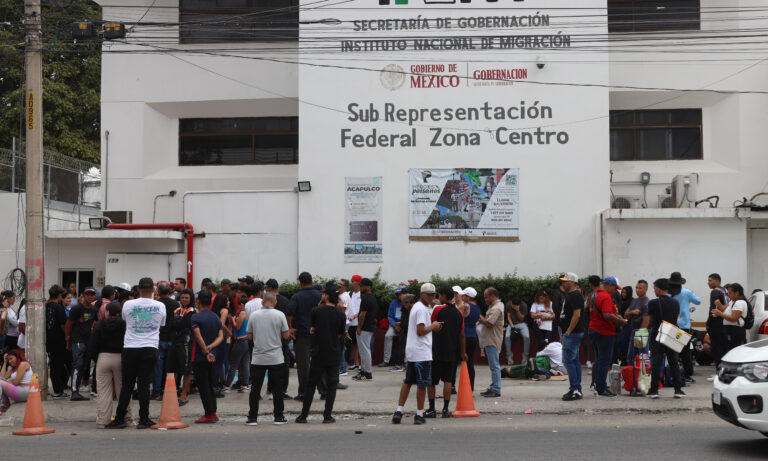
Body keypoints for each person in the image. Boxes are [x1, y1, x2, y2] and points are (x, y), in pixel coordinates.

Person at [106, 277, 167, 429]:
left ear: (138, 289)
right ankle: (144, 419)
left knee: (127, 385)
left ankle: (119, 418)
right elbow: (161, 325)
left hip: (130, 347)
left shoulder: (128, 304)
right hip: (150, 347)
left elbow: (126, 322)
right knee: (144, 385)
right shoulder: (160, 306)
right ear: (154, 290)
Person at [392, 283, 443, 425]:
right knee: (422, 384)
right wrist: (433, 326)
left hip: (413, 351)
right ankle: (419, 414)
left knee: (408, 382)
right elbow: (421, 331)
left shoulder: (418, 307)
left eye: (433, 294)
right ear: (422, 294)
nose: (432, 297)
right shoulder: (421, 309)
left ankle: (398, 411)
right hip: (422, 352)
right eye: (429, 294)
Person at [296, 282, 347, 424]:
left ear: (326, 296)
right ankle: (327, 415)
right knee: (332, 386)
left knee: (311, 385)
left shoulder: (316, 311)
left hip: (318, 353)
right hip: (333, 353)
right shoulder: (340, 315)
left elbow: (312, 329)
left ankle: (303, 415)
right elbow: (340, 334)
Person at [246, 292, 290, 426]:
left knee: (255, 388)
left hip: (258, 357)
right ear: (275, 302)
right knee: (277, 388)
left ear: (262, 302)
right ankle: (278, 416)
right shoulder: (280, 315)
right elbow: (286, 335)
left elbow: (249, 336)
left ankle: (252, 417)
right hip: (276, 357)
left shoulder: (254, 315)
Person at [427, 285, 467, 418]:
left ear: (444, 296)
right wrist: (462, 352)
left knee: (431, 381)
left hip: (436, 350)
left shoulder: (438, 309)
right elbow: (462, 334)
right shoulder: (459, 313)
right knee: (448, 381)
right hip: (452, 351)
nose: (438, 298)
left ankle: (432, 409)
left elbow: (431, 325)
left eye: (439, 295)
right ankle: (445, 409)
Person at [90, 301, 132, 426]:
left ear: (107, 311)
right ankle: (128, 418)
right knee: (123, 390)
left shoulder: (99, 325)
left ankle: (103, 420)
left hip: (103, 357)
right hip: (120, 358)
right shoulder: (124, 325)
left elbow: (92, 345)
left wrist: (96, 359)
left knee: (103, 391)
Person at [644, 279, 684, 399]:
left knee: (656, 362)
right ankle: (678, 390)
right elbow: (676, 318)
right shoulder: (675, 302)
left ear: (659, 289)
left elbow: (649, 318)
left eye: (654, 287)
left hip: (657, 335)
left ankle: (654, 390)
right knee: (673, 362)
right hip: (671, 334)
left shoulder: (653, 303)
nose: (654, 290)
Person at [588, 277, 628, 397]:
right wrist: (620, 321)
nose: (616, 291)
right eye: (615, 288)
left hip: (594, 329)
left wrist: (616, 316)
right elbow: (606, 315)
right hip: (604, 331)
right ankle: (601, 387)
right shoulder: (605, 296)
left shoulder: (594, 295)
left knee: (599, 360)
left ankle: (597, 385)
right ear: (609, 285)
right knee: (604, 361)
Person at [287, 272, 322, 401]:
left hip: (302, 334)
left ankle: (304, 393)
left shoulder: (297, 297)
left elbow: (289, 313)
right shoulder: (320, 296)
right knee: (320, 363)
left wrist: (290, 327)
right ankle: (324, 391)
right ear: (312, 281)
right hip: (319, 334)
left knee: (303, 364)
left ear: (300, 283)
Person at [190, 289, 224, 423]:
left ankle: (209, 414)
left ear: (198, 301)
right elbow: (220, 336)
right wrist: (211, 348)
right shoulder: (215, 317)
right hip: (213, 355)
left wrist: (205, 351)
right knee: (210, 384)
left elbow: (197, 336)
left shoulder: (195, 317)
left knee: (203, 386)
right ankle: (213, 412)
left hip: (200, 356)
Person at [668, 272, 701, 382]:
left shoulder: (668, 293)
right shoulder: (686, 292)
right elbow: (698, 301)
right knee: (685, 352)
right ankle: (687, 374)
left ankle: (672, 372)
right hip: (684, 326)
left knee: (672, 351)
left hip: (672, 326)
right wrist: (692, 294)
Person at [66, 287, 98, 401]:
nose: (90, 296)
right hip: (77, 340)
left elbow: (95, 323)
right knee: (78, 364)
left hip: (88, 341)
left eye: (92, 294)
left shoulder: (94, 310)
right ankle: (74, 391)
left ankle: (77, 390)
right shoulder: (76, 308)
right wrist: (68, 339)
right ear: (83, 295)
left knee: (84, 366)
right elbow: (69, 324)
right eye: (88, 294)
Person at [559, 272, 585, 401]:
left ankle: (574, 389)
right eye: (562, 281)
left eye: (565, 281)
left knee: (568, 361)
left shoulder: (575, 295)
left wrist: (568, 331)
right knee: (574, 361)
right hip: (571, 333)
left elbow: (577, 315)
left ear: (573, 282)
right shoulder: (570, 295)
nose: (563, 283)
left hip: (573, 333)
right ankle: (577, 388)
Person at [168, 288, 196, 406]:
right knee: (172, 369)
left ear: (191, 299)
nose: (184, 299)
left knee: (186, 370)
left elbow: (186, 324)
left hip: (186, 343)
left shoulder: (192, 311)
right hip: (174, 343)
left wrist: (178, 324)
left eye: (186, 298)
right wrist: (179, 325)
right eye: (182, 297)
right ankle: (173, 394)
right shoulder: (176, 310)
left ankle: (183, 396)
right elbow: (171, 324)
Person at [266, 279, 293, 398]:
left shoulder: (267, 302)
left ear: (271, 288)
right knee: (284, 363)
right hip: (283, 335)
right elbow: (289, 317)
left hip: (270, 336)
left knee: (271, 364)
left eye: (267, 288)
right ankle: (283, 390)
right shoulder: (286, 300)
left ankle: (271, 389)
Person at [153, 281, 179, 399]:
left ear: (158, 292)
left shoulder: (156, 304)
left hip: (159, 338)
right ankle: (171, 390)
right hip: (173, 338)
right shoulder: (176, 304)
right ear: (170, 291)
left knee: (158, 367)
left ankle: (157, 391)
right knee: (172, 367)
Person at [478, 287, 504, 398]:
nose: (485, 299)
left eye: (486, 297)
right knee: (493, 366)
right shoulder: (494, 306)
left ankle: (496, 389)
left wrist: (478, 316)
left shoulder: (496, 308)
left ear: (493, 296)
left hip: (492, 340)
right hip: (490, 339)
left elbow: (489, 323)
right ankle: (493, 387)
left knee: (495, 366)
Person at [45, 284, 69, 399]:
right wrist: (67, 337)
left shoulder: (46, 306)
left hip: (49, 340)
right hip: (58, 341)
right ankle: (58, 391)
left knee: (54, 366)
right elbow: (63, 325)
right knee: (57, 367)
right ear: (59, 295)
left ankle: (58, 390)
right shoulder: (58, 307)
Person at [712, 282, 748, 354]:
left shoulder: (739, 303)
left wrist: (719, 314)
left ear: (737, 293)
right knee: (729, 350)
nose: (728, 294)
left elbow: (734, 318)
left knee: (733, 351)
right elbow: (723, 309)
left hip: (735, 331)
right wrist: (719, 304)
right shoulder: (732, 301)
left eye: (730, 293)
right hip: (729, 330)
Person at [354, 278, 378, 381]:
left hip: (365, 328)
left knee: (365, 351)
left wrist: (359, 327)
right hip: (369, 327)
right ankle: (363, 371)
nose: (361, 287)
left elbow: (362, 315)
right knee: (364, 351)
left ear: (368, 287)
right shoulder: (372, 297)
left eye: (362, 286)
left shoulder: (367, 299)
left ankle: (367, 372)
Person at [226, 294, 250, 393]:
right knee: (244, 364)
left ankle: (227, 386)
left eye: (239, 305)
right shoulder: (249, 313)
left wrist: (231, 319)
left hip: (240, 341)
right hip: (246, 341)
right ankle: (245, 385)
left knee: (233, 364)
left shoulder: (242, 313)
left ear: (242, 305)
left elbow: (237, 327)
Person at [706, 274, 728, 380]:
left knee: (717, 349)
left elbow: (713, 309)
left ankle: (718, 374)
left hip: (716, 323)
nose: (708, 282)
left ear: (717, 280)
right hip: (725, 323)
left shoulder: (715, 292)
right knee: (724, 349)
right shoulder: (725, 290)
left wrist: (708, 323)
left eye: (710, 280)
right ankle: (723, 372)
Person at [622, 281, 650, 364]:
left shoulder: (646, 303)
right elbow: (625, 315)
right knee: (630, 357)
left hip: (641, 332)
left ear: (646, 289)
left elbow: (646, 321)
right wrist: (633, 312)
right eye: (636, 288)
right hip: (633, 330)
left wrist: (639, 335)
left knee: (642, 357)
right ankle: (633, 375)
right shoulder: (634, 301)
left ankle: (644, 375)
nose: (637, 290)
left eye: (640, 288)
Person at [460, 288, 481, 390]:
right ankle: (470, 387)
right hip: (473, 336)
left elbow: (460, 317)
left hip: (464, 337)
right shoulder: (477, 308)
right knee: (470, 363)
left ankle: (458, 386)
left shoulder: (467, 306)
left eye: (463, 296)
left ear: (468, 297)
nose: (462, 297)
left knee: (460, 361)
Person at [0, 349, 32, 414]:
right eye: (8, 360)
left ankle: (5, 404)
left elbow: (16, 382)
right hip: (19, 391)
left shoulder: (23, 364)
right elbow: (2, 377)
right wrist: (5, 362)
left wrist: (7, 383)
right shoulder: (13, 368)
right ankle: (5, 405)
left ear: (17, 357)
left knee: (1, 383)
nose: (10, 361)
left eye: (11, 358)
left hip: (26, 392)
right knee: (1, 381)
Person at [212, 293, 232, 395]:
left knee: (214, 364)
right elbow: (221, 324)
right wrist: (229, 332)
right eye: (227, 300)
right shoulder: (224, 310)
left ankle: (212, 385)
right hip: (221, 339)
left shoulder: (213, 310)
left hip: (213, 339)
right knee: (219, 364)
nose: (229, 302)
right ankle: (214, 387)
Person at [379, 288, 405, 368]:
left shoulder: (408, 303)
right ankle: (386, 361)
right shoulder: (393, 303)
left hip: (404, 325)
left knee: (407, 339)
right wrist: (394, 325)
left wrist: (401, 324)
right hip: (394, 325)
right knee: (388, 336)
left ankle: (406, 361)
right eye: (397, 294)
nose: (398, 296)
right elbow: (390, 316)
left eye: (400, 294)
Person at [505, 296, 530, 365]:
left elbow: (521, 319)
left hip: (522, 324)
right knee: (507, 336)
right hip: (511, 324)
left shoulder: (524, 305)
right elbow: (508, 316)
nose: (512, 306)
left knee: (526, 337)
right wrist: (512, 327)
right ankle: (509, 356)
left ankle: (525, 356)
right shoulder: (509, 304)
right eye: (512, 304)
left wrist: (517, 310)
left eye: (514, 305)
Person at [346, 275, 362, 371]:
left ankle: (362, 363)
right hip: (350, 323)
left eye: (352, 281)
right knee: (353, 344)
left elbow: (362, 309)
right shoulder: (349, 294)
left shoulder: (362, 295)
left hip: (358, 323)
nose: (351, 283)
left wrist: (355, 316)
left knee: (360, 344)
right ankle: (356, 363)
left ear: (357, 282)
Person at [337, 279, 351, 375]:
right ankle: (341, 367)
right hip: (342, 322)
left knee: (341, 346)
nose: (338, 286)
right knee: (340, 345)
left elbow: (343, 309)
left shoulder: (344, 296)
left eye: (340, 285)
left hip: (343, 322)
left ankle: (343, 368)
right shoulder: (340, 295)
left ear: (345, 287)